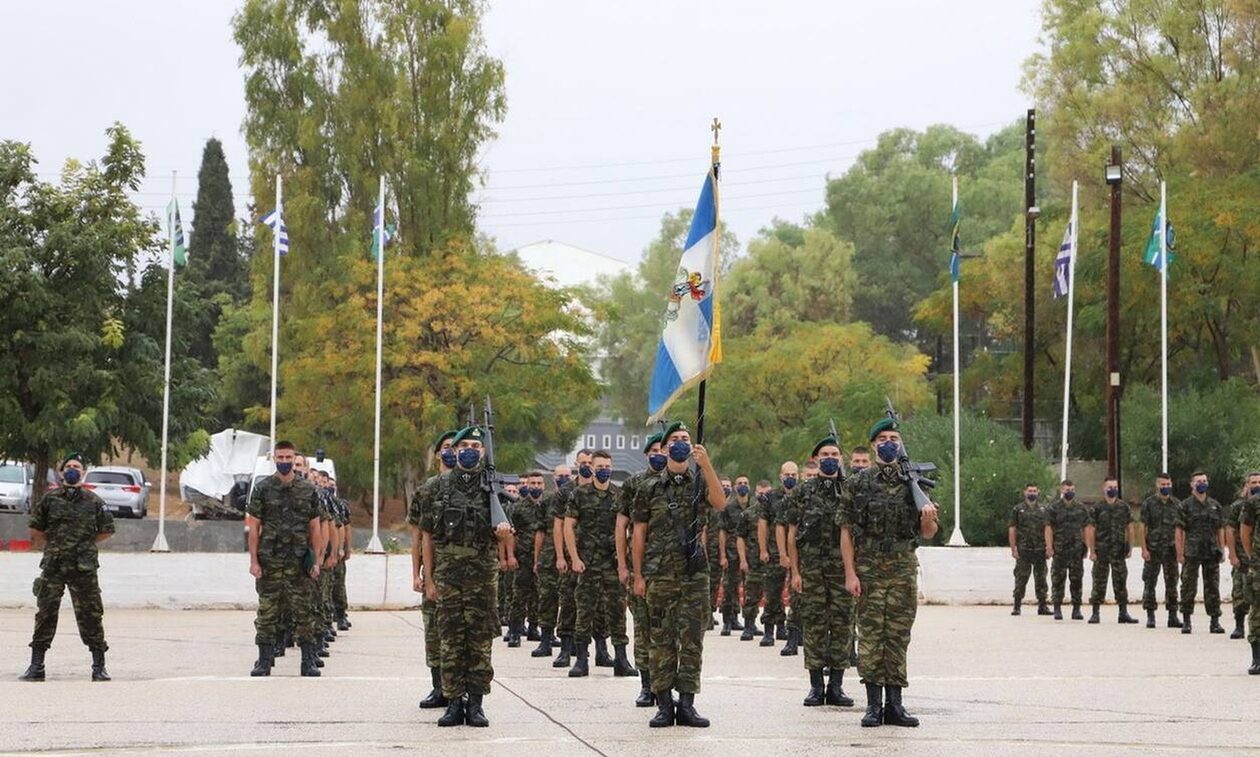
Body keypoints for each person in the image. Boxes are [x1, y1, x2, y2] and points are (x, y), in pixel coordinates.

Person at [840, 417, 939, 728]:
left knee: (897, 636)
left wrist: (927, 517)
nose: (888, 443)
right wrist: (850, 573)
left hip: (902, 568)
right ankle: (873, 706)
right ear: (873, 445)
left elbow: (928, 533)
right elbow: (845, 531)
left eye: (893, 437)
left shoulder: (914, 484)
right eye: (882, 438)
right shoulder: (858, 483)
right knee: (870, 636)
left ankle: (895, 705)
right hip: (868, 568)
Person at [631, 421, 727, 728]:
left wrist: (706, 463)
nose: (681, 443)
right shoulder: (648, 487)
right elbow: (639, 535)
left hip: (694, 575)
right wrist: (638, 575)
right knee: (660, 640)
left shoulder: (699, 481)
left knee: (692, 641)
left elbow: (720, 501)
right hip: (659, 574)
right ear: (665, 446)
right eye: (675, 439)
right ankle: (663, 705)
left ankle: (686, 704)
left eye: (686, 438)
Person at [420, 425, 512, 727]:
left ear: (483, 452)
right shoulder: (436, 488)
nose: (470, 450)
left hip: (482, 577)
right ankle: (453, 702)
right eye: (464, 446)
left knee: (480, 641)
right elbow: (427, 538)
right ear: (454, 451)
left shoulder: (492, 488)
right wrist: (429, 579)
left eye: (476, 445)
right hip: (448, 576)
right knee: (450, 640)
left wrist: (502, 536)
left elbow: (506, 535)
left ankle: (476, 704)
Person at [20, 453, 115, 682]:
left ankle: (99, 666)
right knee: (45, 613)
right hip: (54, 564)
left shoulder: (93, 501)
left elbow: (107, 529)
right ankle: (36, 666)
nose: (72, 469)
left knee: (91, 614)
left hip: (83, 566)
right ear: (62, 472)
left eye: (77, 467)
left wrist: (83, 543)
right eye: (69, 466)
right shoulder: (49, 500)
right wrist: (56, 544)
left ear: (82, 473)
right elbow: (35, 529)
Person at [246, 441, 325, 678]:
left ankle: (308, 660)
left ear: (294, 459)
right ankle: (264, 660)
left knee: (303, 612)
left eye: (288, 457)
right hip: (270, 562)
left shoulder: (307, 490)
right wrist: (254, 561)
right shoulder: (263, 488)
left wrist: (317, 561)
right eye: (280, 457)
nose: (284, 461)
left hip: (299, 562)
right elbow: (254, 526)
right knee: (267, 612)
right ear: (274, 458)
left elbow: (315, 528)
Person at [788, 435, 854, 708]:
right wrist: (795, 571)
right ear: (816, 460)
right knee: (814, 625)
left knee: (842, 624)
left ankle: (836, 686)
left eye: (834, 455)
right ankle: (816, 687)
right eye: (824, 455)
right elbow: (793, 534)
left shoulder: (851, 489)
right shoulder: (804, 491)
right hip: (812, 568)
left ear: (841, 459)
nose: (830, 459)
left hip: (841, 569)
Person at [566, 450, 635, 677]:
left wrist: (624, 562)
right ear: (592, 468)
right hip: (588, 563)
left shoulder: (619, 494)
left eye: (607, 466)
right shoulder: (580, 494)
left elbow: (627, 528)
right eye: (600, 466)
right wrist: (574, 558)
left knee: (617, 611)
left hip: (613, 563)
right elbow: (568, 526)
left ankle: (622, 660)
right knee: (585, 611)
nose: (603, 470)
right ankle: (581, 660)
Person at [408, 430, 457, 709]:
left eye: (455, 447)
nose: (451, 452)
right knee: (434, 631)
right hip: (434, 572)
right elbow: (416, 536)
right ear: (438, 453)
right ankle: (438, 687)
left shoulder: (471, 487)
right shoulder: (426, 490)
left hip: (461, 572)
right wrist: (417, 574)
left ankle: (457, 691)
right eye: (446, 448)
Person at [617, 433, 666, 707]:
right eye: (655, 450)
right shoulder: (635, 483)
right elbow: (621, 525)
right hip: (641, 568)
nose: (660, 454)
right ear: (647, 454)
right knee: (644, 628)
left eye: (664, 449)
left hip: (671, 570)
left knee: (667, 631)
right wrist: (623, 565)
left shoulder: (677, 482)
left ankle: (667, 685)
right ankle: (647, 686)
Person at [1176, 471, 1226, 635]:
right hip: (1192, 551)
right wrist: (1180, 552)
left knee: (1212, 586)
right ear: (1192, 484)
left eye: (1204, 480)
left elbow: (1220, 529)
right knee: (1188, 586)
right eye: (1198, 481)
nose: (1202, 483)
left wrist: (1222, 548)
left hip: (1211, 551)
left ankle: (1214, 621)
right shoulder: (1185, 505)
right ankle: (1186, 620)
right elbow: (1179, 530)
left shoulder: (1215, 505)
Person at [531, 463, 571, 662]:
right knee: (547, 598)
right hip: (548, 558)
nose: (563, 478)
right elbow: (540, 532)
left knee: (569, 601)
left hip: (569, 557)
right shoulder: (546, 501)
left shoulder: (574, 496)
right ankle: (545, 640)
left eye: (567, 475)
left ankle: (569, 645)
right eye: (560, 475)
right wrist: (537, 559)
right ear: (554, 478)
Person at [1086, 478, 1139, 624]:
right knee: (1099, 582)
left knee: (1121, 582)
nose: (1113, 489)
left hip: (1118, 551)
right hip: (1101, 551)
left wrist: (1130, 546)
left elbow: (1130, 527)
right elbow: (1091, 530)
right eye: (1110, 487)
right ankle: (1095, 613)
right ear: (1104, 488)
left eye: (1115, 487)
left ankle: (1123, 613)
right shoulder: (1096, 508)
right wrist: (1092, 550)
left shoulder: (1123, 507)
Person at [759, 462, 796, 647]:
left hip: (798, 552)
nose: (790, 477)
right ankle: (768, 630)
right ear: (780, 475)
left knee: (796, 593)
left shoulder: (803, 495)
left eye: (794, 474)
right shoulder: (771, 497)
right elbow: (763, 524)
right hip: (774, 552)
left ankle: (786, 628)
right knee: (773, 591)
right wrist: (763, 549)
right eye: (787, 474)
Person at [507, 472, 545, 648]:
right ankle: (515, 632)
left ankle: (534, 628)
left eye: (539, 483)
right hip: (523, 557)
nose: (536, 486)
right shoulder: (518, 508)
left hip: (544, 559)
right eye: (533, 483)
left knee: (540, 596)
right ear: (527, 485)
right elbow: (510, 534)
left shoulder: (548, 506)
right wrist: (511, 556)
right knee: (519, 595)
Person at [1139, 473, 1182, 628]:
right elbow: (1143, 527)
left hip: (1171, 550)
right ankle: (1151, 616)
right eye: (1162, 484)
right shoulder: (1149, 504)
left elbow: (1181, 529)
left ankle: (1173, 616)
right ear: (1157, 485)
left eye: (1168, 484)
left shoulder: (1177, 504)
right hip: (1154, 549)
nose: (1165, 487)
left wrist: (1180, 551)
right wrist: (1144, 548)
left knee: (1172, 583)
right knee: (1150, 583)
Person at [1045, 480, 1088, 620]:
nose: (1070, 491)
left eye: (1072, 489)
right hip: (1060, 550)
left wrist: (1086, 545)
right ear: (1061, 490)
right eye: (1067, 489)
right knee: (1058, 579)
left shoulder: (1081, 508)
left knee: (1076, 580)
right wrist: (1049, 547)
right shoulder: (1054, 508)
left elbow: (1086, 528)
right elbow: (1048, 528)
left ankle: (1076, 609)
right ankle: (1057, 608)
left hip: (1076, 549)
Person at [735, 481, 773, 641]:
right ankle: (749, 626)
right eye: (760, 493)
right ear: (755, 493)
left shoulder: (777, 512)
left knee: (773, 597)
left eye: (766, 493)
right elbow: (740, 538)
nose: (763, 496)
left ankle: (772, 630)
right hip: (753, 561)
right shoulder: (748, 514)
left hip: (773, 561)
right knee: (751, 595)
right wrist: (742, 560)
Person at [1226, 473, 1260, 639]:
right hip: (1243, 556)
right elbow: (1232, 531)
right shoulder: (1238, 506)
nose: (1256, 485)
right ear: (1246, 485)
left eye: (1259, 482)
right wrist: (1233, 554)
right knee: (1240, 592)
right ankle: (1239, 625)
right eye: (1253, 482)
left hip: (1256, 558)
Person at [1008, 483, 1051, 616]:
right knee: (1021, 577)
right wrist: (1013, 548)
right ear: (1024, 492)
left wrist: (1049, 547)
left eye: (1034, 491)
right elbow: (1012, 528)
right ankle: (1017, 606)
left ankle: (1042, 606)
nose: (1032, 493)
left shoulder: (1044, 509)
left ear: (1038, 492)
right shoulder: (1018, 509)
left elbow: (1048, 529)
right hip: (1024, 549)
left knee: (1041, 579)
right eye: (1029, 491)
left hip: (1040, 549)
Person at [718, 476, 751, 636]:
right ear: (734, 487)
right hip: (731, 552)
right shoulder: (728, 507)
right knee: (730, 586)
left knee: (750, 587)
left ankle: (744, 620)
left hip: (750, 552)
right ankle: (727, 621)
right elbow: (722, 532)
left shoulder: (754, 506)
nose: (743, 486)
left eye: (745, 483)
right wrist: (723, 555)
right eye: (740, 484)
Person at [1238, 487, 1260, 673]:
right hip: (1259, 566)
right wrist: (1252, 557)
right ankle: (1257, 658)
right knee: (1257, 611)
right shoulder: (1254, 502)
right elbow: (1245, 531)